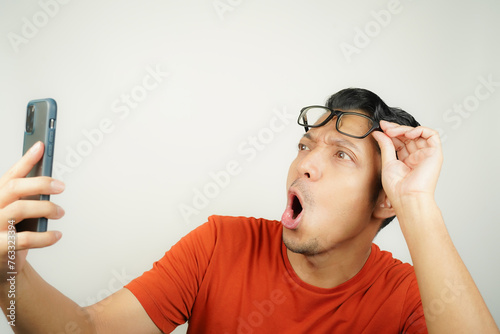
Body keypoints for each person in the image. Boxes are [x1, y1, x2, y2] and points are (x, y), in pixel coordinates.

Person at [0, 88, 498, 333]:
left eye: (340, 155)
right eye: (305, 146)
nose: (305, 166)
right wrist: (8, 274)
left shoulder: (411, 296)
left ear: (383, 197)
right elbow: (84, 332)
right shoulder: (221, 244)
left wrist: (414, 201)